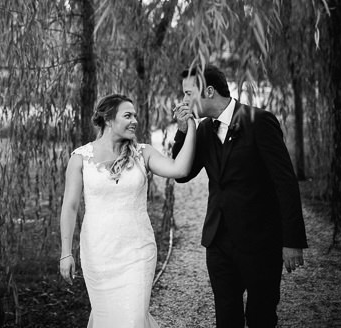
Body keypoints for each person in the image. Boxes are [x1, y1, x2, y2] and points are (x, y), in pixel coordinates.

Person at [171, 64, 307, 328]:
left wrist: (292, 240)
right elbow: (181, 173)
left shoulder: (259, 122)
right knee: (226, 317)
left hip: (260, 242)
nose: (184, 101)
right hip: (218, 242)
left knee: (261, 317)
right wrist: (182, 131)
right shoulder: (203, 130)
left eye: (188, 94)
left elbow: (285, 182)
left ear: (208, 91)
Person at [59, 93, 197, 328]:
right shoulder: (80, 158)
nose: (135, 120)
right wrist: (66, 252)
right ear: (109, 119)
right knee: (108, 319)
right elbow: (70, 207)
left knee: (132, 320)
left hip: (138, 252)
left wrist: (191, 126)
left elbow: (180, 169)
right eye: (127, 115)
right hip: (98, 254)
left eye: (135, 115)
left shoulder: (143, 153)